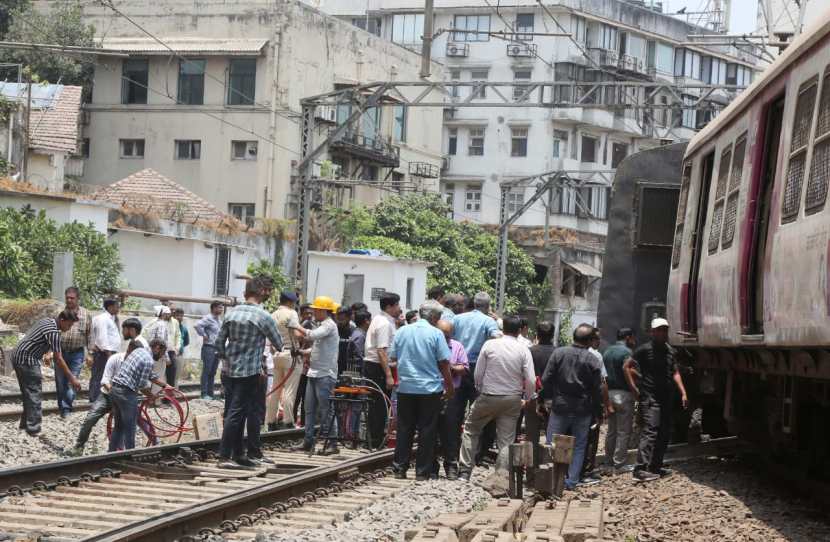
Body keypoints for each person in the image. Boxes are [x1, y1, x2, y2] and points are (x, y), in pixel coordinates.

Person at [215, 277, 284, 468]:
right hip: (250, 373)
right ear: (261, 292)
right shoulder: (263, 316)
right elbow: (278, 344)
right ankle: (224, 457)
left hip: (229, 372)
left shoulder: (232, 314)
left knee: (233, 412)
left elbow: (219, 344)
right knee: (237, 414)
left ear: (246, 293)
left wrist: (227, 359)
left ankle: (239, 454)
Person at [459, 315, 535, 481]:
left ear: (503, 329)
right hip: (512, 399)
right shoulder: (523, 349)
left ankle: (464, 472)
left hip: (488, 396)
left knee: (471, 430)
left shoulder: (490, 344)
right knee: (506, 440)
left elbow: (478, 372)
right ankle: (501, 477)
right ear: (520, 330)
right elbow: (530, 379)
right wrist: (528, 398)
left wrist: (480, 389)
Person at [390, 302, 453, 480]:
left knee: (404, 428)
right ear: (434, 317)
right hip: (429, 389)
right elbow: (444, 362)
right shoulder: (436, 334)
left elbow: (393, 357)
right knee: (427, 430)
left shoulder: (402, 331)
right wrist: (449, 386)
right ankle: (422, 472)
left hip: (406, 387)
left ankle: (399, 468)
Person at [540, 323, 603, 490]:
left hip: (559, 406)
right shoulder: (593, 360)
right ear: (590, 340)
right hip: (583, 410)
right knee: (579, 445)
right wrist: (598, 412)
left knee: (552, 443)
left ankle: (549, 480)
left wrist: (545, 400)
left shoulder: (559, 353)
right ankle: (571, 481)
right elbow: (597, 389)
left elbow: (546, 379)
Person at [625, 318, 689, 482]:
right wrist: (634, 388)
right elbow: (627, 366)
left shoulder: (670, 351)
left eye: (665, 330)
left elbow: (675, 372)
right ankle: (640, 469)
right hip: (650, 397)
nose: (662, 333)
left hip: (666, 397)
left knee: (664, 432)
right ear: (652, 332)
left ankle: (655, 467)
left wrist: (683, 393)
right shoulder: (644, 350)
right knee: (650, 431)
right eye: (659, 330)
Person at [12, 311, 80, 435]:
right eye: (69, 325)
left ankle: (25, 424)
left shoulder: (46, 321)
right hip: (28, 359)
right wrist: (72, 378)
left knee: (28, 393)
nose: (69, 328)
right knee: (34, 393)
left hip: (17, 355)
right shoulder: (54, 332)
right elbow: (58, 358)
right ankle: (34, 428)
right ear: (62, 320)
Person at [293, 296, 340, 453]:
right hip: (314, 373)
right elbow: (315, 349)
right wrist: (301, 352)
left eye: (315, 309)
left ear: (322, 310)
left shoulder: (329, 326)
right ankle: (308, 441)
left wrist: (296, 326)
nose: (313, 312)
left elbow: (311, 335)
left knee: (326, 409)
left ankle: (332, 443)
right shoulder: (322, 325)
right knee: (309, 409)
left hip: (325, 374)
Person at [451, 292, 501, 429]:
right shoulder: (489, 321)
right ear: (488, 306)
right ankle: (476, 445)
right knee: (478, 408)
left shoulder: (457, 318)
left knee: (455, 407)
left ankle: (453, 446)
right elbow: (497, 338)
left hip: (456, 367)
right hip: (477, 367)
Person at [109, 340, 167, 451]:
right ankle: (130, 454)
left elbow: (150, 374)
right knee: (130, 428)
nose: (162, 356)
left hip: (115, 390)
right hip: (126, 393)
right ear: (157, 347)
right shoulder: (148, 360)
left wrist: (164, 385)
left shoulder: (139, 351)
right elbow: (142, 386)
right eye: (162, 352)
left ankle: (110, 453)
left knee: (119, 426)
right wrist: (152, 396)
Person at [363, 292, 402, 448]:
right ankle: (375, 440)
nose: (399, 308)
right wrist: (388, 375)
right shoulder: (384, 323)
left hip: (374, 365)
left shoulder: (379, 319)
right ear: (389, 306)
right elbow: (381, 351)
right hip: (377, 367)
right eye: (397, 305)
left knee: (376, 405)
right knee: (379, 405)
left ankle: (373, 439)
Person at [434, 318, 468, 479]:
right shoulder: (430, 344)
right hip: (432, 392)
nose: (444, 339)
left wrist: (450, 367)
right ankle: (431, 466)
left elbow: (464, 367)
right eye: (442, 335)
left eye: (447, 336)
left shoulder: (457, 346)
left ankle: (451, 465)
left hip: (452, 393)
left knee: (451, 430)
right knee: (430, 430)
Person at [602, 327, 637, 472]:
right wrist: (634, 388)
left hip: (609, 393)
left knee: (611, 430)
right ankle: (620, 463)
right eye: (632, 337)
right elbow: (626, 369)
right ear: (628, 337)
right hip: (624, 394)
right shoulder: (627, 352)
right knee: (623, 431)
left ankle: (608, 461)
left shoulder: (607, 351)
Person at [268, 291, 304, 430]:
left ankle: (271, 421)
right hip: (291, 354)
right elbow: (296, 334)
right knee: (289, 390)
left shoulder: (273, 314)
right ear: (290, 302)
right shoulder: (291, 314)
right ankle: (288, 421)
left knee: (275, 389)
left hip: (277, 353)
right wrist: (305, 334)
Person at [581, 328, 613, 481]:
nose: (599, 342)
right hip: (590, 404)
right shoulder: (596, 356)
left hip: (572, 403)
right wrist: (606, 405)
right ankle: (587, 471)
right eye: (597, 339)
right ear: (590, 340)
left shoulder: (565, 352)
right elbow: (602, 383)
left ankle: (572, 470)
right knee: (591, 438)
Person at [56, 286, 91, 417]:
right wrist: (48, 351)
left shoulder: (86, 314)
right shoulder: (60, 312)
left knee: (72, 381)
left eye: (72, 298)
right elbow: (52, 333)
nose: (69, 300)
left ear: (78, 298)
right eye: (67, 298)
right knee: (60, 382)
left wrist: (90, 354)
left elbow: (89, 335)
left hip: (77, 353)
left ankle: (66, 408)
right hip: (60, 352)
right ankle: (63, 408)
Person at [89, 299, 121, 404]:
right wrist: (108, 354)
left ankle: (102, 397)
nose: (118, 308)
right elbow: (102, 337)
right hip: (104, 352)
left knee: (108, 375)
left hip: (111, 352)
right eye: (117, 306)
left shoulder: (113, 319)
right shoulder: (103, 318)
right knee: (99, 374)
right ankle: (94, 398)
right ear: (110, 307)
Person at [347, 310, 371, 446]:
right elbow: (359, 356)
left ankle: (353, 435)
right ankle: (353, 436)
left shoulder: (357, 333)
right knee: (357, 407)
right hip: (358, 375)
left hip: (356, 374)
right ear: (366, 321)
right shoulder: (360, 336)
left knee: (355, 407)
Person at [195, 301, 224, 400]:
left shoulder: (219, 321)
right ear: (214, 308)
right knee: (207, 371)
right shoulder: (208, 318)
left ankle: (210, 393)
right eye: (219, 307)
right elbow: (197, 325)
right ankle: (204, 393)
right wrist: (204, 335)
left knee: (213, 371)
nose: (221, 309)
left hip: (217, 348)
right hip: (209, 347)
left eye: (221, 308)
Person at [143, 306, 172, 384]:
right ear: (163, 314)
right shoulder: (162, 325)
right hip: (158, 356)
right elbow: (161, 343)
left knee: (151, 378)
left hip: (153, 354)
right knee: (157, 379)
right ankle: (154, 395)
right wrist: (166, 357)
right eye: (168, 314)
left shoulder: (156, 323)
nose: (169, 316)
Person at [166, 307, 183, 387]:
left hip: (171, 352)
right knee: (160, 376)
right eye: (170, 310)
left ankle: (168, 398)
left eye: (173, 310)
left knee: (171, 377)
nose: (172, 312)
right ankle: (157, 398)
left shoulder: (175, 322)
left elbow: (178, 336)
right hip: (160, 352)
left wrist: (177, 347)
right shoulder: (158, 321)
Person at [336, 306, 354, 375]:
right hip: (334, 366)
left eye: (342, 319)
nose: (339, 321)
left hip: (348, 367)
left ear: (349, 318)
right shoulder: (333, 330)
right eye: (338, 319)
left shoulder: (353, 331)